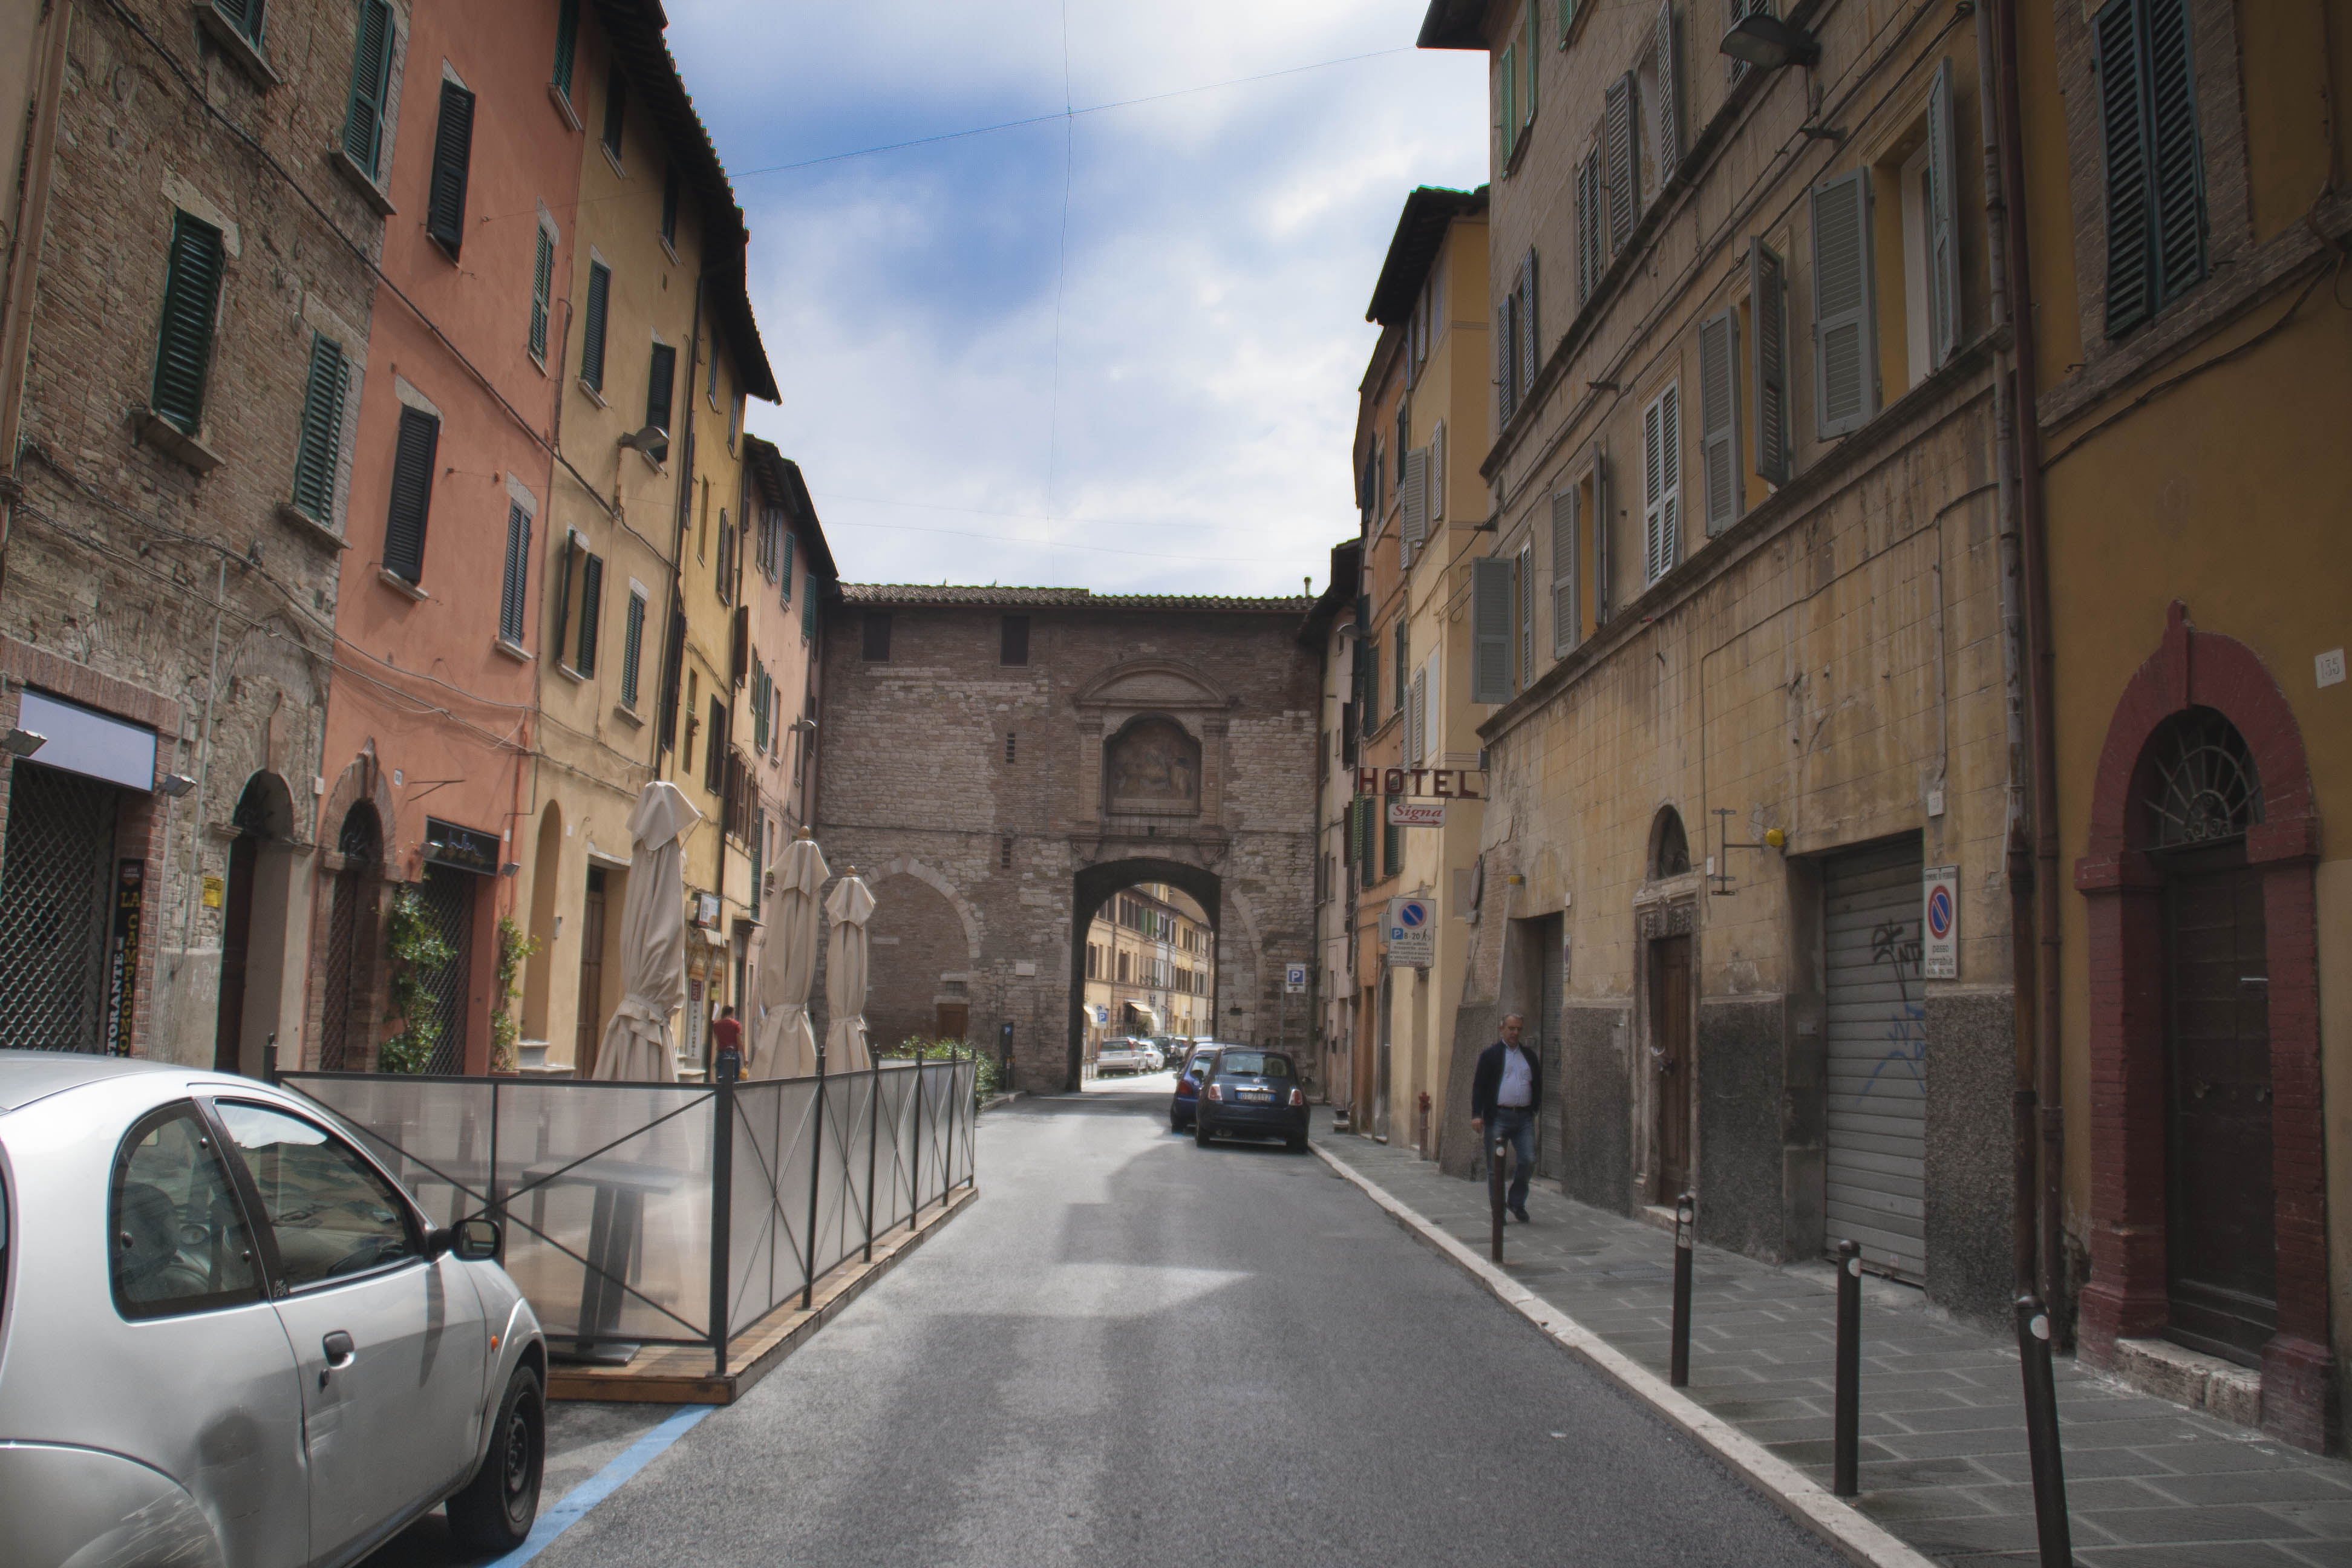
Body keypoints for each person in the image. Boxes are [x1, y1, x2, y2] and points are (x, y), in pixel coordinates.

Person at [1470, 1013, 1540, 1223]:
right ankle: (1498, 1212)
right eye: (1511, 1029)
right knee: (1495, 1168)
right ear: (1502, 1029)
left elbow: (1537, 1084)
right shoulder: (1490, 1055)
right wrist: (1477, 1114)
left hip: (1524, 1118)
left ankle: (1516, 1202)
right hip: (1498, 1117)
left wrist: (1534, 1108)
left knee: (1528, 1160)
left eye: (1518, 1029)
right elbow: (1479, 1086)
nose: (1515, 1033)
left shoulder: (1529, 1056)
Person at [710, 1005, 743, 1077]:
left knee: (720, 1078)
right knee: (733, 1078)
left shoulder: (716, 1025)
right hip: (733, 1054)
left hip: (721, 1053)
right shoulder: (736, 1025)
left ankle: (720, 1088)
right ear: (731, 1013)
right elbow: (739, 1042)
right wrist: (744, 1057)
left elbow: (717, 1039)